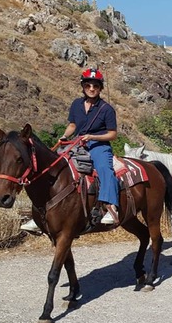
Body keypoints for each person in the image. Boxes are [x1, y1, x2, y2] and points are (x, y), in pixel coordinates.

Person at [21, 68, 119, 231]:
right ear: (83, 87)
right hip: (77, 143)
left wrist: (93, 137)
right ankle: (40, 213)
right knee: (53, 166)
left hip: (99, 145)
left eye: (95, 85)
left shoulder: (106, 109)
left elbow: (113, 134)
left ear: (100, 88)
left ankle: (111, 207)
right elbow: (73, 125)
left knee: (104, 169)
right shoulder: (76, 104)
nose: (92, 89)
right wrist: (65, 136)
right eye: (88, 85)